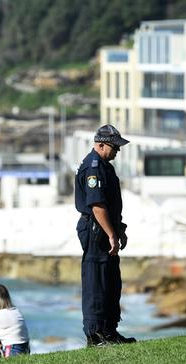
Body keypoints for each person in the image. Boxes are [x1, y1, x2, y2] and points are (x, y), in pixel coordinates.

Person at [74, 124, 135, 346]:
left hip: (105, 229)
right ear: (100, 144)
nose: (117, 151)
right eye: (114, 147)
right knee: (96, 280)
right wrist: (111, 234)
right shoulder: (93, 167)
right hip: (95, 230)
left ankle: (109, 331)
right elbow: (97, 205)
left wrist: (118, 230)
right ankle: (95, 334)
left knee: (111, 281)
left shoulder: (104, 166)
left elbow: (110, 206)